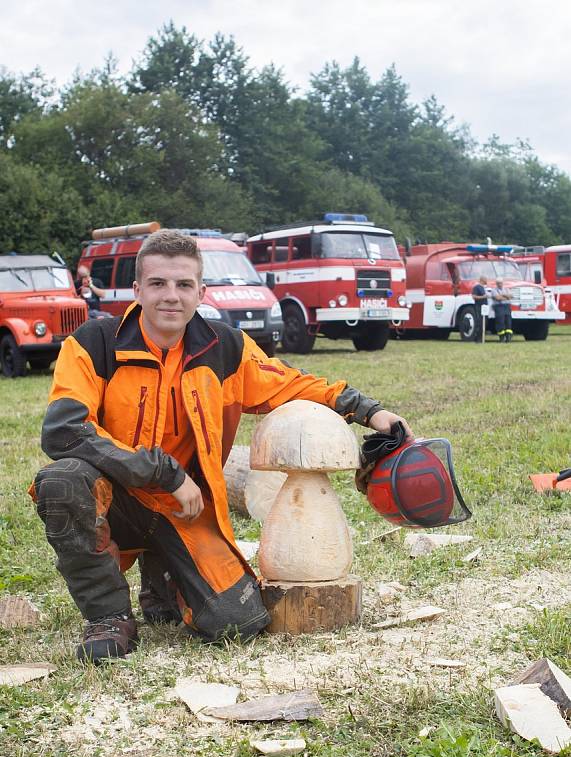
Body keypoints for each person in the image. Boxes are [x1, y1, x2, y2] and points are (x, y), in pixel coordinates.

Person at [31, 230, 414, 665]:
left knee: (236, 622)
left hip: (186, 510)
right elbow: (64, 430)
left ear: (201, 292)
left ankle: (163, 578)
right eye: (157, 284)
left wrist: (369, 410)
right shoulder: (93, 343)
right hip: (118, 497)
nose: (170, 296)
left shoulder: (224, 348)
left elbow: (293, 384)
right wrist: (165, 473)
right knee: (61, 481)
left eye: (183, 285)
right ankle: (109, 617)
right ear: (137, 290)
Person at [491, 278, 513, 342]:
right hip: (498, 307)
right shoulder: (494, 290)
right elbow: (497, 298)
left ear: (502, 283)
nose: (500, 284)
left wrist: (503, 295)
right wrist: (506, 297)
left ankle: (508, 337)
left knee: (508, 322)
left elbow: (511, 296)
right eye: (498, 283)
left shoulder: (506, 289)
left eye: (501, 283)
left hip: (507, 306)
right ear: (496, 284)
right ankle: (502, 337)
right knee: (500, 322)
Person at [471, 275, 488, 343]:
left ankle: (482, 337)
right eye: (486, 279)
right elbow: (474, 296)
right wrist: (483, 297)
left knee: (484, 322)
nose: (487, 280)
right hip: (479, 307)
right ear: (482, 280)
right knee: (479, 322)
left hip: (484, 307)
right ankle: (477, 338)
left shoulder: (484, 288)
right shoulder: (477, 287)